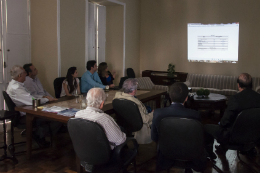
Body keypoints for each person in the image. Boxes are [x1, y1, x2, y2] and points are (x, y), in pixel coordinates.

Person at [151, 82, 206, 172]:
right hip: (191, 156)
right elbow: (198, 139)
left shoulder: (158, 113)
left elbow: (154, 137)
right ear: (186, 98)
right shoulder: (195, 115)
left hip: (166, 154)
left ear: (169, 96)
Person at [205, 73, 260, 156]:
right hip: (255, 136)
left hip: (234, 137)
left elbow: (225, 122)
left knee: (207, 128)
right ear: (251, 84)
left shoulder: (235, 99)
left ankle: (209, 154)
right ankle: (247, 148)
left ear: (238, 85)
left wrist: (220, 123)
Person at [7, 65, 61, 147]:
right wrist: (47, 99)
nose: (26, 74)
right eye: (24, 72)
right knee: (56, 117)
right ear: (19, 75)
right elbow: (32, 101)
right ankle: (38, 135)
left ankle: (39, 134)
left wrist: (44, 97)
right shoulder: (17, 88)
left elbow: (30, 97)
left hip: (25, 109)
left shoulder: (15, 84)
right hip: (24, 114)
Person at [75, 88, 126, 172]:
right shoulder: (104, 119)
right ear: (102, 104)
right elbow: (120, 140)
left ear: (87, 101)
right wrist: (123, 134)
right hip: (104, 157)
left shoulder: (78, 115)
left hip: (85, 153)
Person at [113, 78, 153, 144]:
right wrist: (153, 113)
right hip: (139, 126)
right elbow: (145, 119)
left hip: (123, 124)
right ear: (134, 91)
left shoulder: (116, 98)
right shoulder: (135, 103)